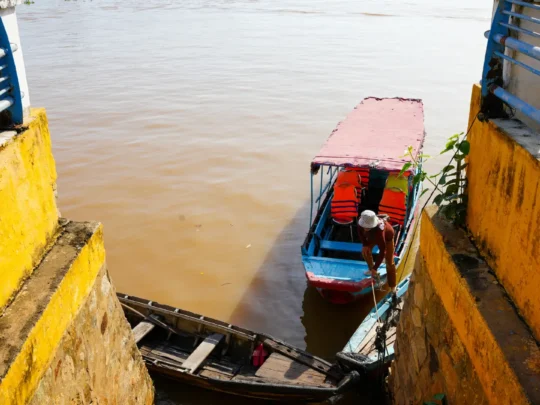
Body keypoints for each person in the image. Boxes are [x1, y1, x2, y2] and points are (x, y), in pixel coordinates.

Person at [357, 210, 397, 292]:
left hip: (387, 238)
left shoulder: (380, 229)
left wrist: (376, 267)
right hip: (372, 236)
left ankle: (393, 286)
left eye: (367, 227)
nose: (365, 228)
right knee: (365, 252)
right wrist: (365, 245)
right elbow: (360, 234)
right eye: (364, 226)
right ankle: (371, 269)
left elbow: (383, 251)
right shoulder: (360, 222)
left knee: (389, 263)